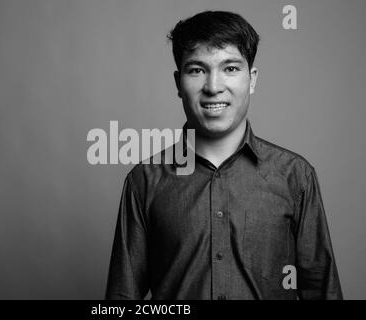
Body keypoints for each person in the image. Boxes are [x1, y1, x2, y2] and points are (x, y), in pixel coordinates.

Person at [105, 10, 342, 300]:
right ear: (179, 83)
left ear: (252, 79)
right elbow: (122, 298)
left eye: (230, 68)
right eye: (197, 70)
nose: (214, 87)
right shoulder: (144, 181)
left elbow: (320, 289)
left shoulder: (295, 176)